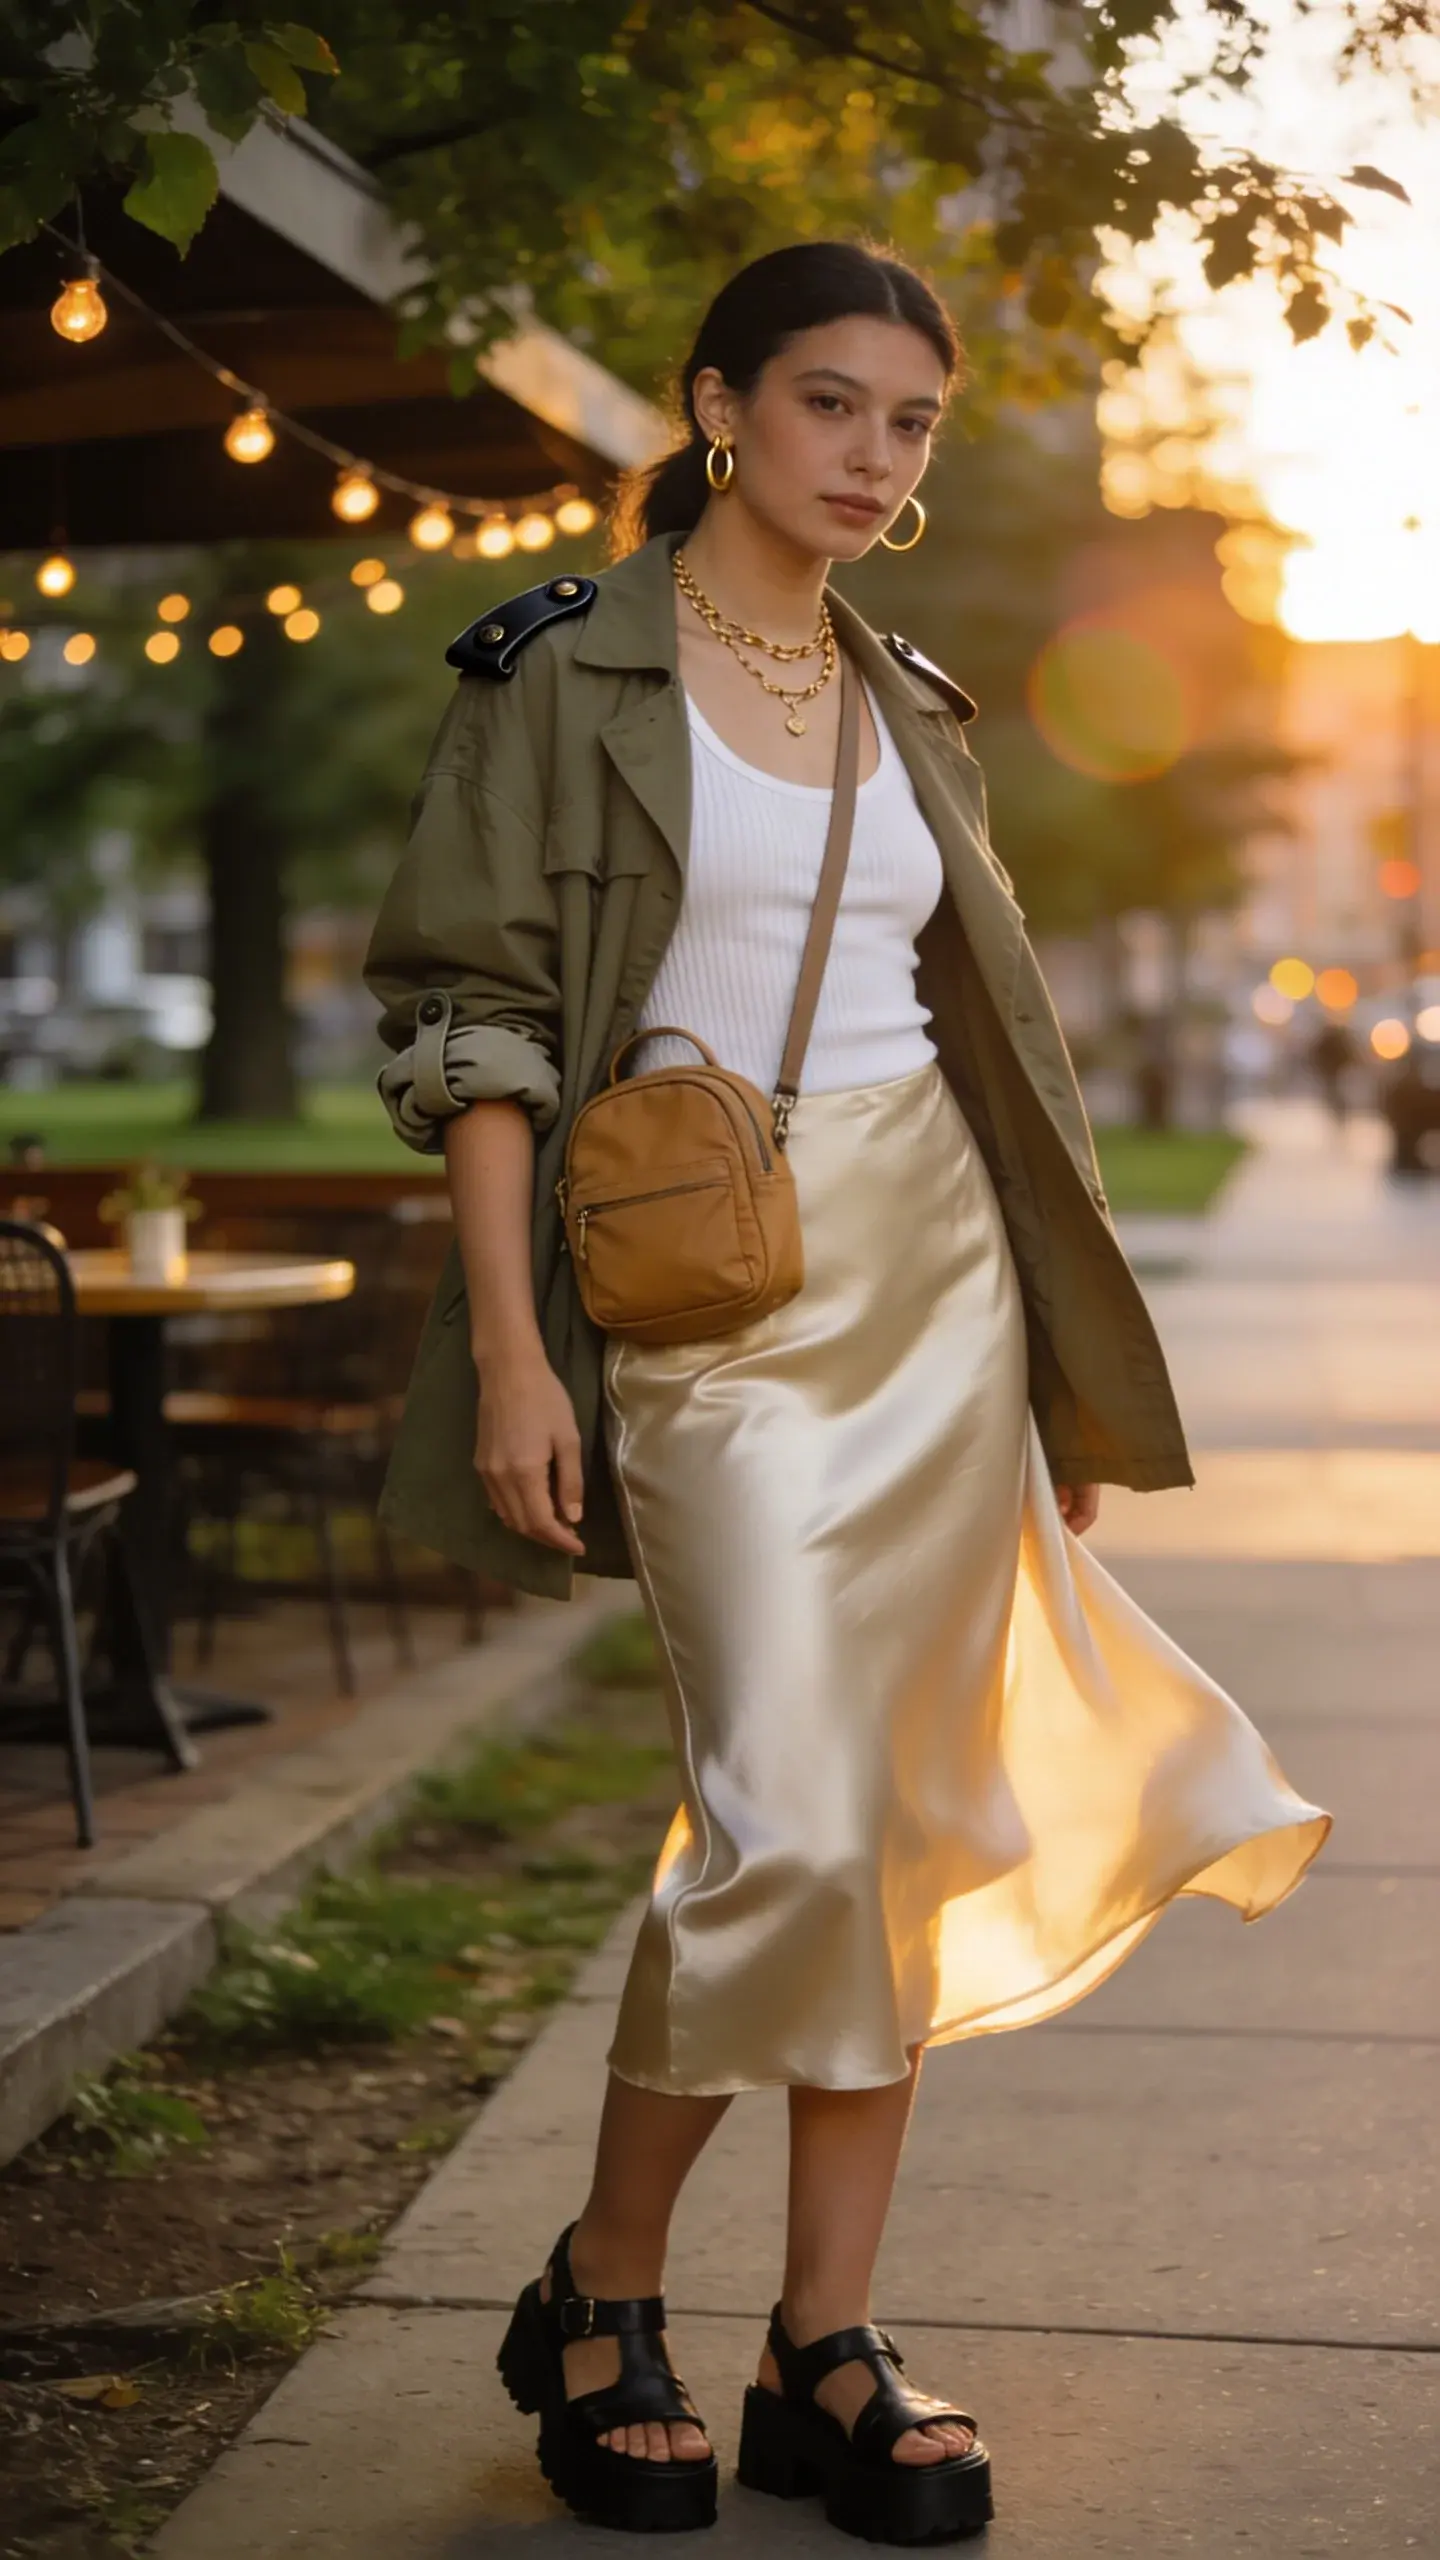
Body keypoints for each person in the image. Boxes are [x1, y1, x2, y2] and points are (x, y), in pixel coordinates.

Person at [364, 241, 1329, 2545]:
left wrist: (1064, 1384)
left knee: (896, 1825)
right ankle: (603, 2287)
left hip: (937, 1287)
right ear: (719, 405)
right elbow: (476, 1033)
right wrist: (517, 1347)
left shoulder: (914, 692)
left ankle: (825, 2330)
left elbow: (995, 1053)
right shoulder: (556, 670)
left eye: (910, 419)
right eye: (829, 403)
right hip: (697, 1289)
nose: (874, 454)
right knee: (782, 1810)